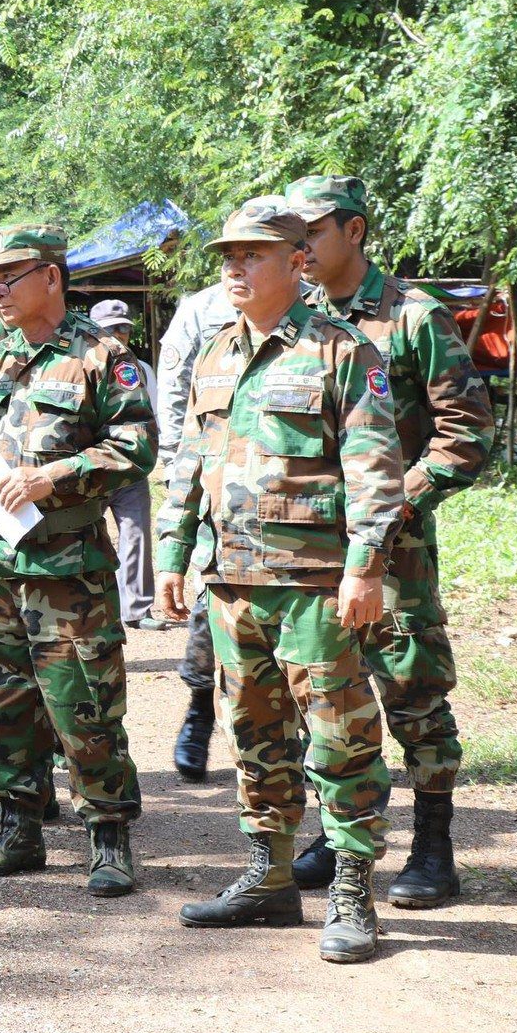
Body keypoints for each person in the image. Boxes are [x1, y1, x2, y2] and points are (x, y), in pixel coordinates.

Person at [157, 198, 404, 964]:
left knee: (340, 739)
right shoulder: (214, 354)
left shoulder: (342, 352)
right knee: (254, 735)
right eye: (227, 255)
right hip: (233, 584)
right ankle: (268, 876)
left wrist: (365, 565)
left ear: (299, 261)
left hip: (317, 586)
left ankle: (353, 889)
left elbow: (375, 470)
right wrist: (174, 553)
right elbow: (191, 465)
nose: (234, 267)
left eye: (252, 254)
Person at [0, 224, 151, 897]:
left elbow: (136, 447)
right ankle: (19, 826)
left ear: (50, 275)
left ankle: (108, 835)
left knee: (85, 706)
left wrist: (56, 476)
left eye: (4, 277)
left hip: (67, 570)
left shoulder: (102, 355)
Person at [285, 174, 495, 908]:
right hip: (310, 548)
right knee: (323, 689)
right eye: (292, 233)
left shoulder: (413, 317)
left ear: (355, 230)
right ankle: (336, 833)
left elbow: (466, 433)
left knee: (413, 692)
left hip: (396, 549)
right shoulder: (297, 319)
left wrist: (390, 502)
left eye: (309, 230)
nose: (298, 245)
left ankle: (434, 848)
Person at [155, 280, 241, 781]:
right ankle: (199, 710)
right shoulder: (203, 309)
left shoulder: (326, 316)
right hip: (218, 490)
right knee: (209, 615)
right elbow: (176, 385)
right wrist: (173, 460)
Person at [84, 301, 163, 632]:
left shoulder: (141, 369)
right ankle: (90, 607)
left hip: (129, 467)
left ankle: (137, 608)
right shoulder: (77, 364)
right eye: (111, 328)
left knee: (136, 533)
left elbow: (153, 416)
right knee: (83, 533)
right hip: (90, 465)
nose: (119, 334)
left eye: (124, 327)